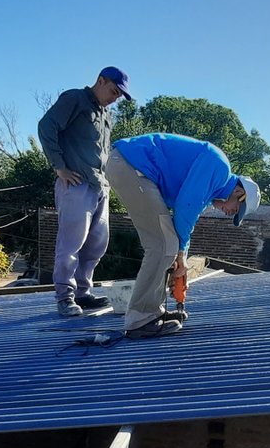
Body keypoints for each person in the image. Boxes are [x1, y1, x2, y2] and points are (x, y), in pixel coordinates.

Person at [105, 133, 259, 338]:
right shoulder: (219, 168)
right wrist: (180, 254)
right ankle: (140, 320)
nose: (230, 213)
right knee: (162, 245)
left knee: (167, 244)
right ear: (239, 193)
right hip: (131, 166)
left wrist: (181, 255)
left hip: (130, 166)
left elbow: (186, 220)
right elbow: (185, 208)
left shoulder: (211, 189)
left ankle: (152, 311)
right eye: (236, 209)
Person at [37, 66, 131, 317]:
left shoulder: (105, 113)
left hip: (100, 185)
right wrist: (59, 167)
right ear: (100, 81)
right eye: (113, 91)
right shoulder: (75, 99)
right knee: (71, 243)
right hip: (76, 183)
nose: (115, 98)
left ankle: (82, 292)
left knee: (96, 244)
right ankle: (65, 297)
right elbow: (46, 127)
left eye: (119, 95)